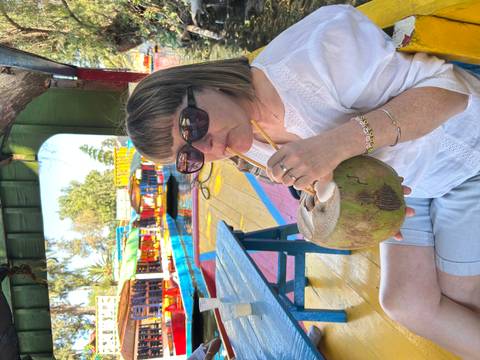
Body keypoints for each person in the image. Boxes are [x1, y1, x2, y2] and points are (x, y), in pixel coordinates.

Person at [126, 5, 480, 358]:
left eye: (192, 125)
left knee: (461, 296)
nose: (210, 147)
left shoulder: (316, 54)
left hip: (464, 148)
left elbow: (451, 93)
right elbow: (326, 178)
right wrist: (331, 204)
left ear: (200, 83)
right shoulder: (250, 143)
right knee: (405, 302)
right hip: (413, 186)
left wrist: (337, 144)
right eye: (191, 157)